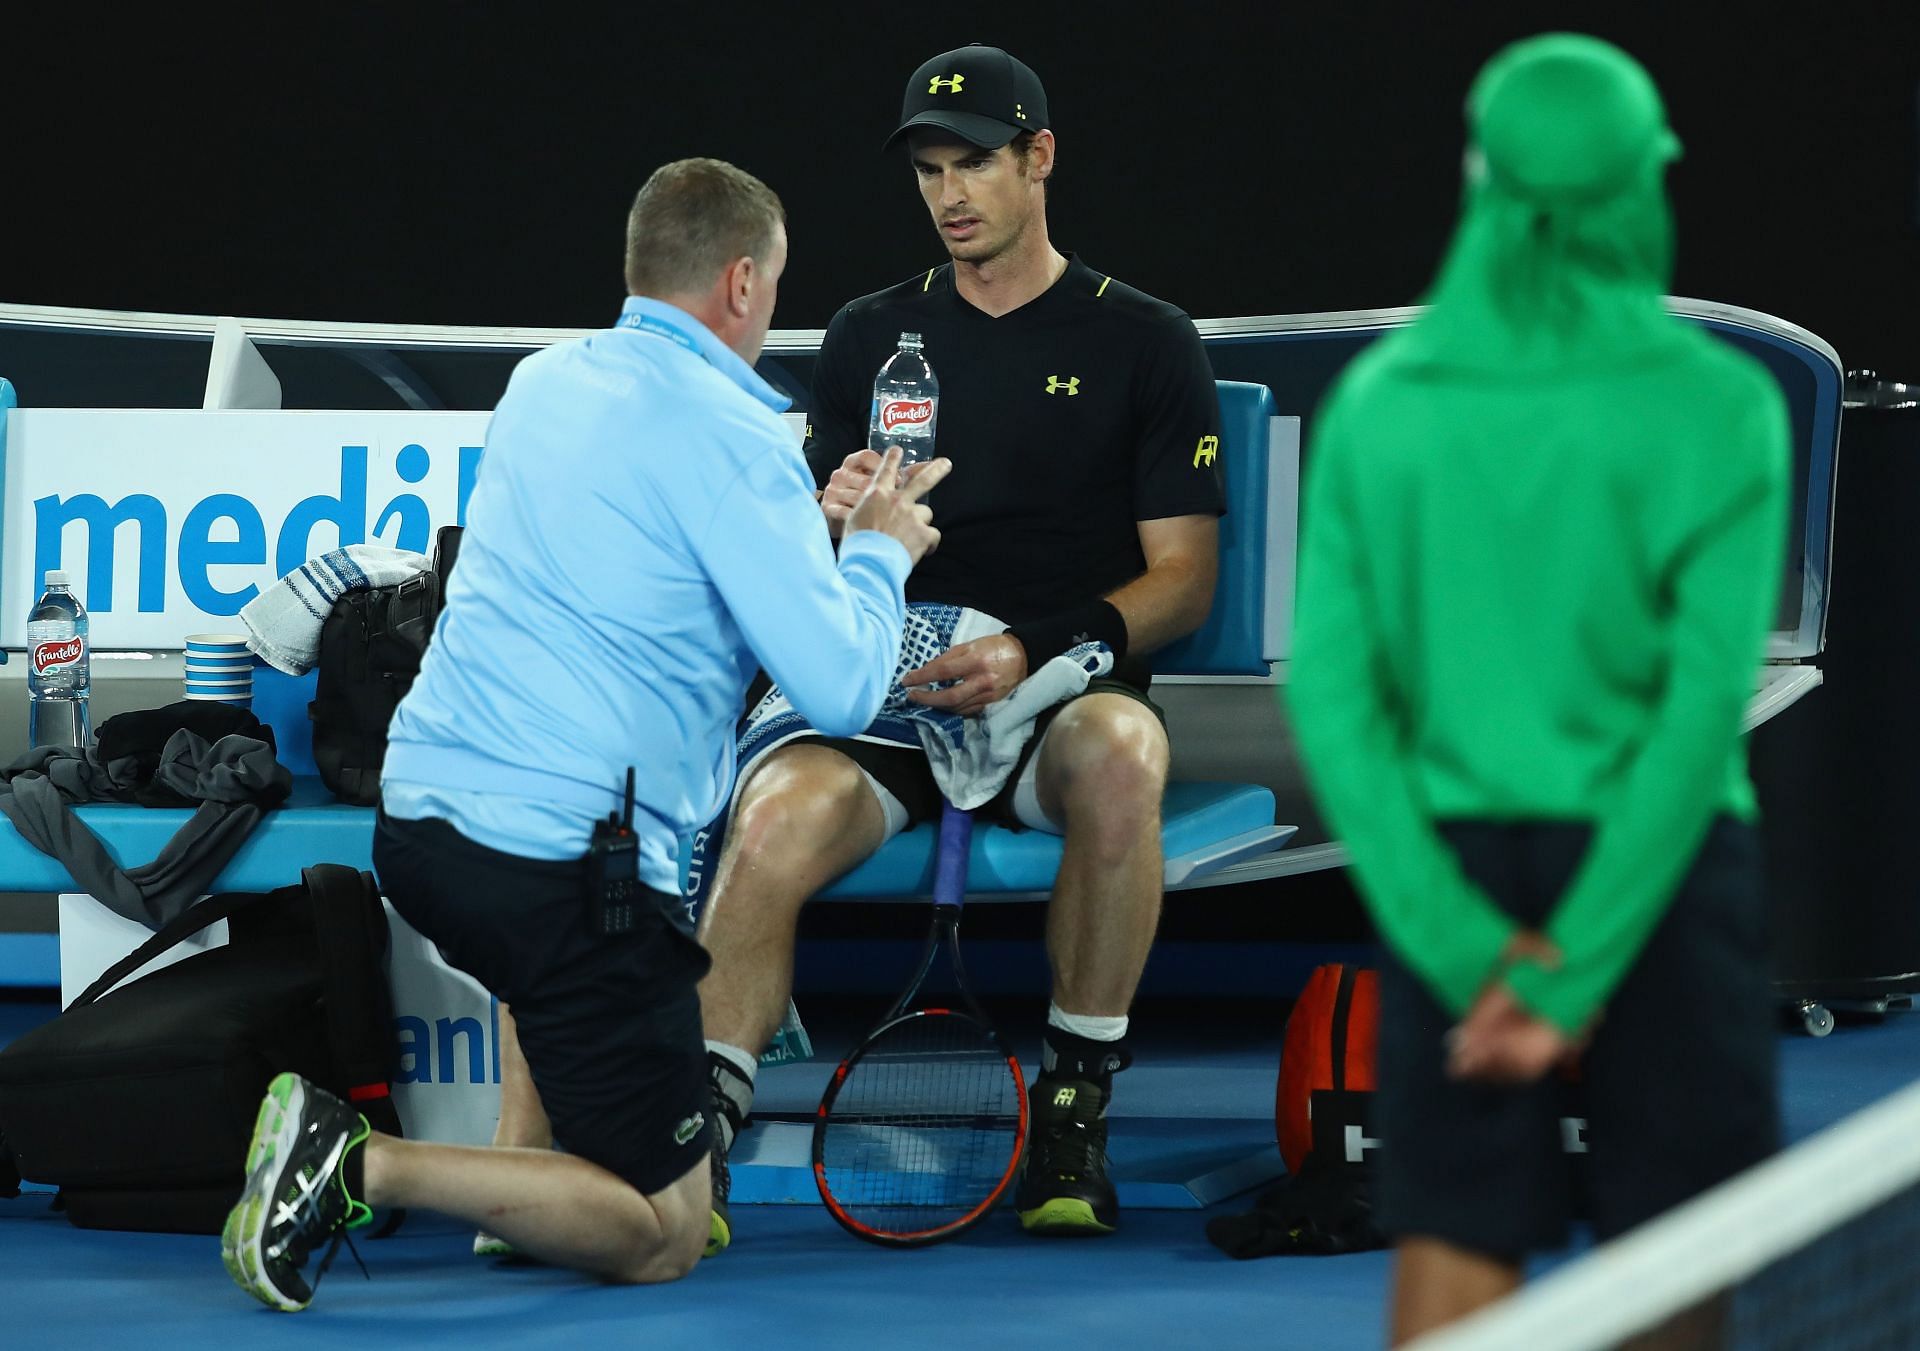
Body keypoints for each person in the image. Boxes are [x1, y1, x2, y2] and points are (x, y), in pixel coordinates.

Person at [219, 157, 950, 1312]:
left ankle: (509, 1185)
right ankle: (353, 1160)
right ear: (746, 284)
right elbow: (847, 688)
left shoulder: (547, 383)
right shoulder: (739, 440)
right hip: (561, 878)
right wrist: (876, 548)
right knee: (668, 1225)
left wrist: (791, 534)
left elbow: (643, 569)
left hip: (420, 831)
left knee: (559, 1013)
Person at [1286, 34, 1788, 1347]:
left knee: (1452, 1258)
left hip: (1452, 874)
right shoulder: (1723, 410)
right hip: (1664, 886)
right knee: (1675, 1276)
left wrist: (1472, 951)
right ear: (1646, 182)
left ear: (1479, 176)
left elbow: (1339, 704)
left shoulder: (1382, 407)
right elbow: (1694, 725)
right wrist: (1574, 976)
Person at [694, 43, 1225, 1241]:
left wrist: (1032, 649)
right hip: (889, 689)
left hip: (1056, 688)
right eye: (930, 168)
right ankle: (700, 1134)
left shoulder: (1145, 339)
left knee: (1123, 759)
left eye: (976, 162)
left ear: (1039, 159)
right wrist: (826, 527)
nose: (950, 193)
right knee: (768, 814)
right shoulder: (869, 335)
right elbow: (814, 563)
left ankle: (1075, 1106)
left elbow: (1183, 582)